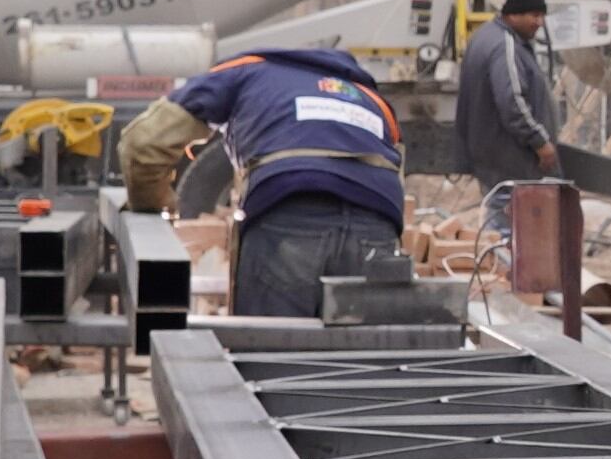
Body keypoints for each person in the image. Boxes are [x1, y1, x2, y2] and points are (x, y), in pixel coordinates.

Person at [117, 47, 407, 321]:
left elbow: (141, 143)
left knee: (270, 352)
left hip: (290, 212)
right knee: (364, 359)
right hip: (378, 220)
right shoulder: (371, 97)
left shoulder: (245, 72)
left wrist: (151, 204)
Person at [457, 0, 563, 179]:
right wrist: (539, 142)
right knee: (512, 208)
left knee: (502, 206)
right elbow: (512, 101)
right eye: (535, 15)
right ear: (514, 16)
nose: (540, 23)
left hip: (495, 159)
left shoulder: (486, 35)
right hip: (511, 161)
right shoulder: (504, 46)